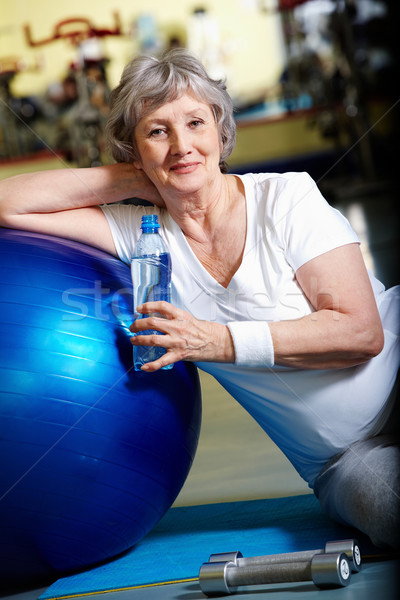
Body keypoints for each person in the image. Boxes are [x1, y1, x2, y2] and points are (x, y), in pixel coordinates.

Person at [0, 49, 398, 549]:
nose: (182, 145)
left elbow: (360, 333)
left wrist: (210, 340)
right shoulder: (141, 235)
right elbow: (6, 204)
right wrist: (132, 177)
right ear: (132, 148)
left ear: (220, 130)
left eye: (195, 123)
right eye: (157, 131)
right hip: (344, 460)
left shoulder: (286, 197)